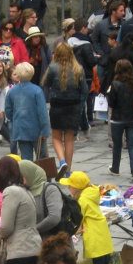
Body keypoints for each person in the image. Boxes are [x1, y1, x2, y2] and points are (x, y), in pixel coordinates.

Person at [61, 171, 117, 264]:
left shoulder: (82, 200)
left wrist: (74, 232)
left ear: (76, 188)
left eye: (70, 186)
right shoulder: (92, 192)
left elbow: (79, 219)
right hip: (103, 237)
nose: (68, 188)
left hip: (94, 239)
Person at [42, 43, 87, 174]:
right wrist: (80, 104)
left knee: (56, 137)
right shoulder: (78, 68)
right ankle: (68, 170)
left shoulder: (53, 67)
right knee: (69, 139)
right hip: (73, 106)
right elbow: (84, 90)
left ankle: (61, 162)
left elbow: (45, 83)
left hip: (57, 105)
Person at [4, 62, 50, 160]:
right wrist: (45, 130)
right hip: (37, 130)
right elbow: (42, 113)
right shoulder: (37, 91)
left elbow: (8, 111)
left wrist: (16, 119)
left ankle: (27, 175)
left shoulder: (12, 91)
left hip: (21, 130)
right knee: (42, 158)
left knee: (26, 159)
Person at [107, 59, 133, 181]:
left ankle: (115, 168)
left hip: (118, 118)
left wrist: (108, 95)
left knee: (117, 145)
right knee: (132, 145)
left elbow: (112, 103)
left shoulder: (115, 84)